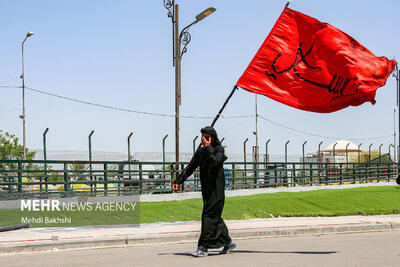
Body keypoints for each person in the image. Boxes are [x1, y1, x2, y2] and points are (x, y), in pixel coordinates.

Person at [172, 126, 236, 257]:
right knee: (214, 218)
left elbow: (215, 162)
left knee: (207, 217)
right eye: (202, 137)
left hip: (216, 191)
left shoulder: (219, 150)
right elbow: (190, 168)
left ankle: (203, 247)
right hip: (206, 191)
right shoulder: (200, 152)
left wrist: (208, 148)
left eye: (206, 137)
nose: (203, 140)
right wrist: (178, 181)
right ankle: (228, 242)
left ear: (212, 138)